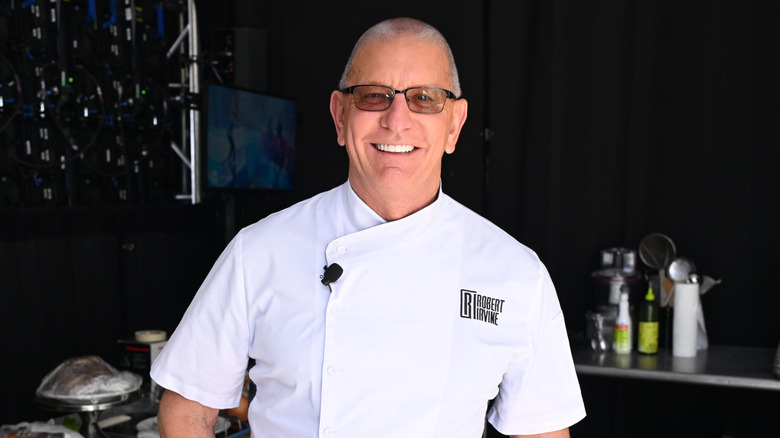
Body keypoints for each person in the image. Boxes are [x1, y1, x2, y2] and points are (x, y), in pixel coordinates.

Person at [151, 17, 586, 438]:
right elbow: (185, 410)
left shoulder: (516, 274)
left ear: (454, 125)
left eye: (425, 98)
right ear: (340, 117)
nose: (397, 120)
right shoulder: (259, 250)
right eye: (374, 96)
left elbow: (542, 432)